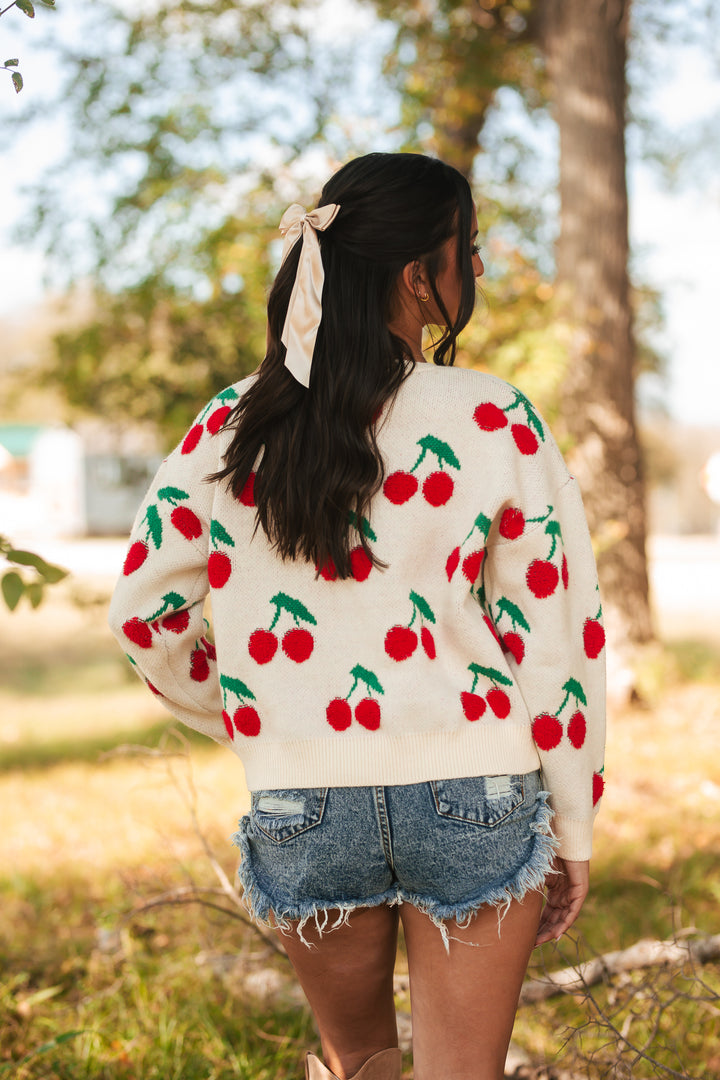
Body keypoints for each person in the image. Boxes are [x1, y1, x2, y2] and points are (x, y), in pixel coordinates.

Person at [109, 152, 606, 1080]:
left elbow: (144, 614)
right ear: (420, 276)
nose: (483, 270)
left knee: (362, 1068)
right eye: (471, 249)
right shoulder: (493, 416)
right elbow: (555, 636)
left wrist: (257, 717)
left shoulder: (230, 425)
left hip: (303, 800)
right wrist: (573, 826)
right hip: (477, 791)